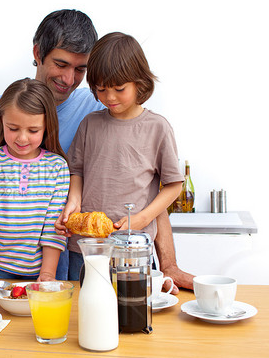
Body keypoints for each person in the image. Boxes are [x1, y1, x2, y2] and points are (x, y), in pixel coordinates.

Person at [0, 10, 194, 292]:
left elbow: (151, 185)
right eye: (60, 64)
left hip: (104, 248)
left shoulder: (102, 108)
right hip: (13, 261)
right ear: (38, 52)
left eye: (80, 70)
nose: (69, 78)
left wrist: (168, 263)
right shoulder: (0, 112)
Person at [55, 31, 184, 278]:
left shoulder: (157, 127)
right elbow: (77, 170)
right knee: (82, 311)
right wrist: (74, 201)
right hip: (86, 246)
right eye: (101, 89)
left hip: (134, 246)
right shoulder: (89, 124)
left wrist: (142, 218)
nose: (109, 97)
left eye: (119, 88)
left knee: (133, 310)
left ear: (140, 82)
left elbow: (173, 185)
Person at [0, 78, 69, 281]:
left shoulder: (57, 166)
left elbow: (54, 226)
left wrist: (47, 273)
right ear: (1, 122)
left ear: (47, 126)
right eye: (13, 128)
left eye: (33, 130)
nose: (22, 138)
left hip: (41, 269)